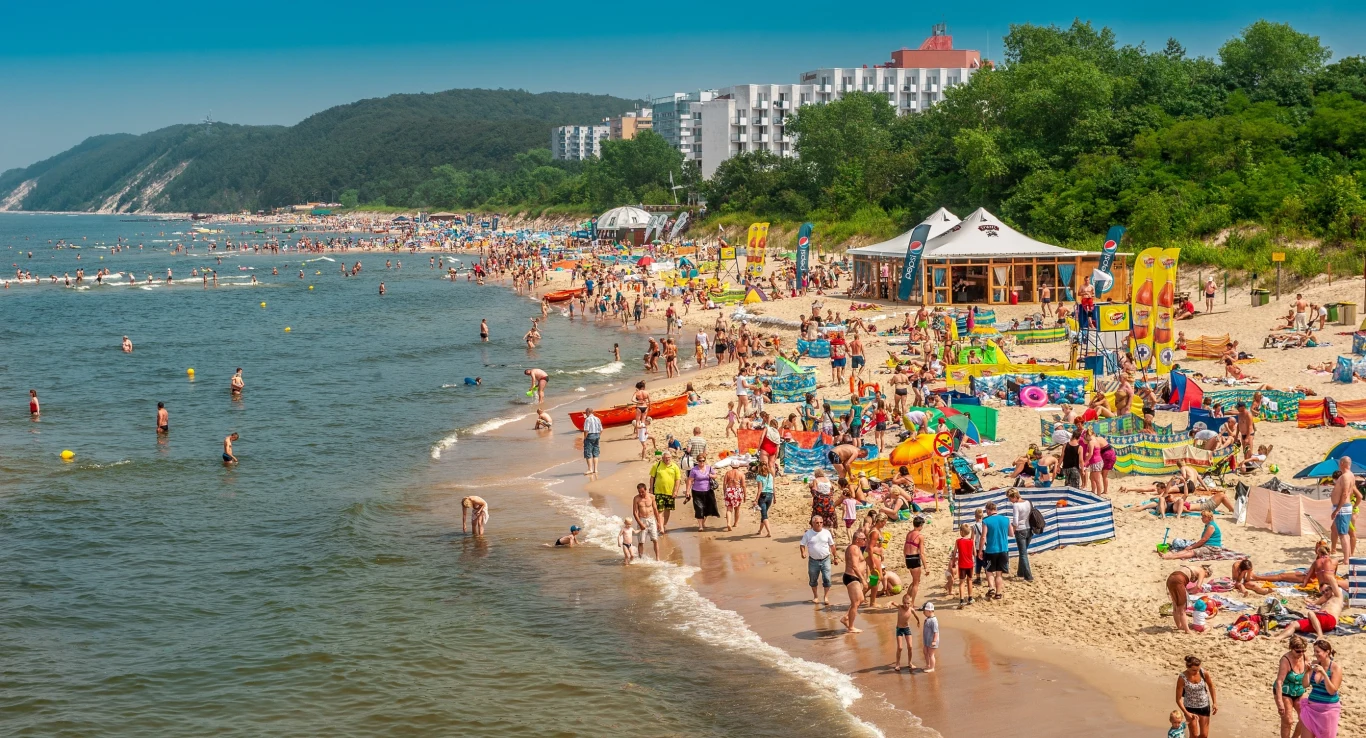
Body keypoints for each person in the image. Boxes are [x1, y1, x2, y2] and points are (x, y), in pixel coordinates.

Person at [1298, 639, 1343, 738]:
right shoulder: (1315, 663)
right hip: (1311, 709)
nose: (1315, 654)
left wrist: (1324, 674)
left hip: (1328, 711)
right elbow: (1305, 685)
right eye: (1314, 651)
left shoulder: (1335, 668)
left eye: (1318, 651)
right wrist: (1306, 671)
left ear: (1327, 652)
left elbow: (1332, 691)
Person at [1273, 635, 1309, 738]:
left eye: (1303, 650)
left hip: (1299, 690)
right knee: (1288, 721)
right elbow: (1279, 682)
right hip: (1284, 691)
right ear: (1291, 648)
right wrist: (1280, 703)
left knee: (1305, 718)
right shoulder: (1285, 660)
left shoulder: (1305, 657)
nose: (1301, 653)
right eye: (1298, 651)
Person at [799, 515, 838, 605]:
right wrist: (803, 552)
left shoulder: (826, 532)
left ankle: (826, 597)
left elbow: (832, 545)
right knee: (813, 579)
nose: (819, 524)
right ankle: (816, 596)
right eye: (817, 523)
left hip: (826, 559)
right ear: (813, 523)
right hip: (813, 560)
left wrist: (835, 557)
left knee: (827, 579)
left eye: (821, 522)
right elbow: (802, 544)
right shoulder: (808, 534)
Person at [1176, 655, 1217, 738]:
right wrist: (1186, 713)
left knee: (1204, 735)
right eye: (1194, 670)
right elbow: (1178, 699)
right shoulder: (1182, 678)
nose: (1196, 672)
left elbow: (1211, 686)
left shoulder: (1203, 673)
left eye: (1198, 669)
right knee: (1194, 735)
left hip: (1204, 706)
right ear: (1187, 667)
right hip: (1190, 708)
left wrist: (1215, 702)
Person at [1165, 565, 1212, 633]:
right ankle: (1187, 630)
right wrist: (1188, 591)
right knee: (1182, 609)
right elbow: (1198, 587)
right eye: (1205, 576)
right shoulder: (1202, 571)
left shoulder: (1194, 567)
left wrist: (1186, 591)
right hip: (1179, 579)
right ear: (1206, 572)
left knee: (1175, 606)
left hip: (1171, 578)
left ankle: (1179, 626)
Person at [980, 502, 1013, 600]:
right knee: (999, 573)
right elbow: (1011, 534)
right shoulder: (1006, 519)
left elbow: (983, 537)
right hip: (1003, 550)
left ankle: (991, 587)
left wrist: (980, 550)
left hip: (991, 550)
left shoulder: (986, 521)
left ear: (989, 510)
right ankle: (998, 594)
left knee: (989, 570)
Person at [839, 531, 868, 633]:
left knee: (860, 600)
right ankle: (851, 627)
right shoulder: (854, 548)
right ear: (857, 540)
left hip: (854, 578)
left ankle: (846, 618)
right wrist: (863, 580)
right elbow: (855, 567)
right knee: (855, 602)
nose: (865, 540)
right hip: (851, 577)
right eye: (863, 539)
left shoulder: (857, 548)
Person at [1330, 456, 1356, 566]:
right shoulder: (1350, 475)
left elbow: (1345, 494)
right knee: (1341, 531)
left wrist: (1337, 509)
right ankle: (1347, 556)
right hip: (1344, 507)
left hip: (1342, 508)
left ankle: (1346, 559)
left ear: (1341, 463)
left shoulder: (1345, 476)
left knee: (1343, 534)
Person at [648, 451, 682, 533]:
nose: (667, 459)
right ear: (662, 458)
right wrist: (651, 489)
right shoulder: (657, 465)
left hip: (670, 492)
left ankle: (663, 525)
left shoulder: (675, 467)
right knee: (660, 510)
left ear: (671, 458)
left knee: (667, 510)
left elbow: (678, 480)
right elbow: (652, 478)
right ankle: (661, 528)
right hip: (658, 491)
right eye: (665, 458)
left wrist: (675, 491)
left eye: (669, 458)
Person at [1006, 489, 1035, 582]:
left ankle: (1028, 576)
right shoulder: (1028, 502)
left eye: (1010, 498)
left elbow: (1015, 522)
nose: (1010, 500)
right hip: (1029, 528)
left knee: (1023, 554)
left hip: (1020, 530)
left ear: (1014, 497)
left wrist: (1012, 531)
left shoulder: (1016, 505)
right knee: (1023, 552)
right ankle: (1020, 572)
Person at [687, 453, 720, 532]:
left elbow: (715, 475)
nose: (701, 462)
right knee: (699, 508)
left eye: (703, 461)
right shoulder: (694, 470)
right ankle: (700, 526)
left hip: (708, 491)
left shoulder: (709, 468)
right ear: (697, 461)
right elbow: (690, 480)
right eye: (700, 461)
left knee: (707, 508)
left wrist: (711, 476)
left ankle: (703, 522)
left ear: (705, 460)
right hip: (697, 492)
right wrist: (687, 491)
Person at [891, 596, 922, 673]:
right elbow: (892, 602)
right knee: (900, 647)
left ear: (911, 603)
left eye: (908, 603)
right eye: (904, 603)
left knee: (910, 646)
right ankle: (897, 664)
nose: (906, 605)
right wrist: (889, 603)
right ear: (902, 602)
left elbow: (916, 616)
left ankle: (910, 662)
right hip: (899, 629)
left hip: (907, 629)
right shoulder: (899, 607)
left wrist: (918, 621)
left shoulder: (911, 609)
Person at [633, 483, 661, 561]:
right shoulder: (636, 499)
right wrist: (640, 523)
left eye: (642, 492)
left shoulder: (652, 497)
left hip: (651, 519)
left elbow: (655, 509)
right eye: (639, 492)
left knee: (655, 540)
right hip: (642, 519)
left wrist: (658, 522)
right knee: (641, 541)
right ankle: (640, 558)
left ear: (646, 490)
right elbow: (635, 512)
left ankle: (657, 558)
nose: (641, 494)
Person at [903, 516, 926, 605]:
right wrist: (926, 567)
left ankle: (906, 598)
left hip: (908, 558)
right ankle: (911, 603)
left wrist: (906, 558)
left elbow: (904, 548)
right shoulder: (920, 536)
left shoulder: (909, 534)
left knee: (914, 580)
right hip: (915, 558)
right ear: (920, 525)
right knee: (916, 582)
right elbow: (922, 553)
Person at [952, 523, 975, 606]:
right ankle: (970, 597)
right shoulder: (971, 541)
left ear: (961, 532)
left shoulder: (958, 541)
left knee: (961, 582)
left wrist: (953, 561)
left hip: (962, 564)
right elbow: (974, 553)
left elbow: (954, 553)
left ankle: (961, 600)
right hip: (970, 564)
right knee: (970, 580)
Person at [753, 466, 774, 537]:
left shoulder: (759, 477)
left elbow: (759, 489)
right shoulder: (770, 475)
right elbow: (773, 486)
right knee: (764, 513)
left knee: (764, 515)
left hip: (763, 496)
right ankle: (760, 530)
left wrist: (756, 500)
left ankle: (769, 532)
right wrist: (775, 497)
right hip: (770, 495)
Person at [581, 407, 602, 475]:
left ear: (588, 412)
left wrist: (585, 437)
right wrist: (598, 436)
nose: (585, 414)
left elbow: (586, 430)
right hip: (597, 435)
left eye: (586, 413)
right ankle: (595, 469)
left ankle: (590, 469)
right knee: (595, 452)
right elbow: (601, 429)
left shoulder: (588, 419)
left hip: (590, 436)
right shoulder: (597, 418)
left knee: (588, 452)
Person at [920, 602, 939, 672]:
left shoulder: (933, 621)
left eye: (924, 611)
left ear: (929, 611)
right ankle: (928, 665)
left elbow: (936, 632)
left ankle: (932, 667)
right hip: (927, 640)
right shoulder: (928, 618)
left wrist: (934, 641)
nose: (923, 613)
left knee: (931, 654)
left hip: (932, 640)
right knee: (925, 652)